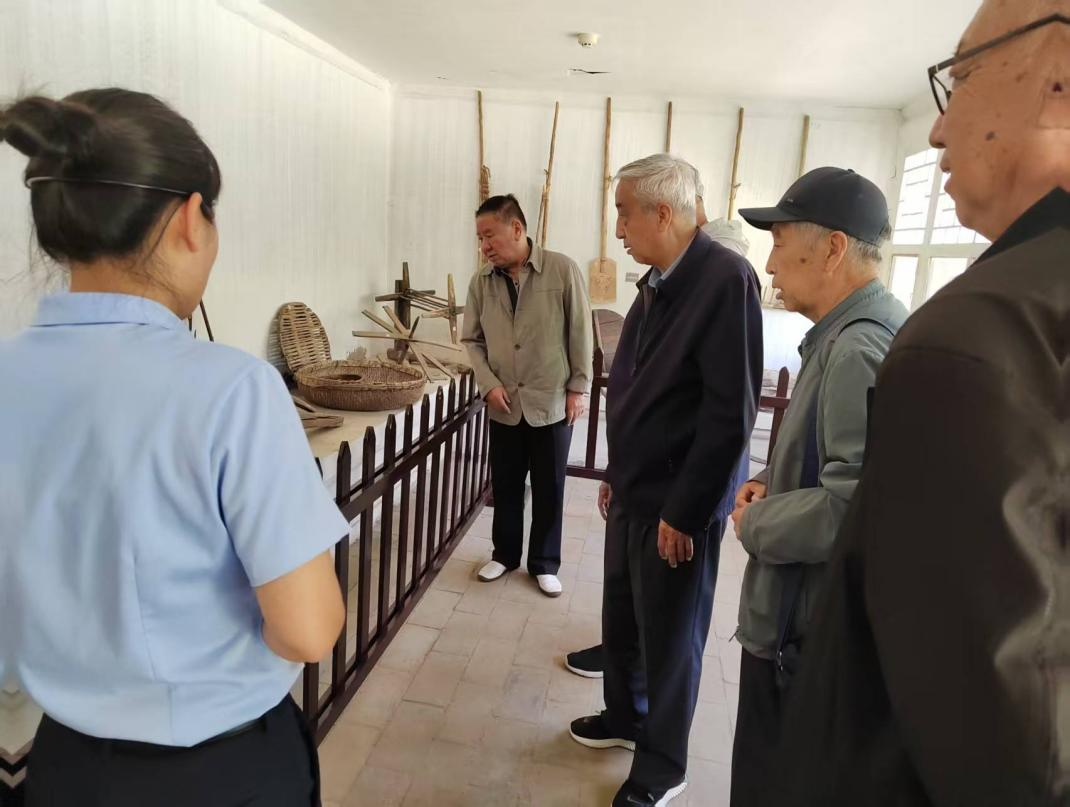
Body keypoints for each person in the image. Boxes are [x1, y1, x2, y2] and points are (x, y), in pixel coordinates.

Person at [1, 89, 347, 806]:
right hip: (219, 772)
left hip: (62, 767)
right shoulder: (232, 389)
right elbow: (309, 629)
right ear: (191, 218)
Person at [771, 3, 1070, 805]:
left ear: (1058, 79)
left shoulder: (980, 333)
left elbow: (1000, 728)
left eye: (961, 76)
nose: (937, 129)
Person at [568, 154, 763, 807]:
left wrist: (686, 509)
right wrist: (617, 471)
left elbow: (728, 413)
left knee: (671, 637)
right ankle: (625, 716)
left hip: (679, 500)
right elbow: (637, 386)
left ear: (661, 212)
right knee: (623, 616)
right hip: (636, 487)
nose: (617, 228)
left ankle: (663, 763)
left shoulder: (725, 279)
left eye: (624, 213)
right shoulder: (655, 280)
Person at [727, 167, 908, 806]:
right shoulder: (847, 333)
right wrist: (768, 481)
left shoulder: (858, 349)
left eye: (779, 243)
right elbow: (831, 460)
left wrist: (757, 523)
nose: (770, 264)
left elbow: (855, 506)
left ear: (833, 249)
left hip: (800, 636)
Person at [462, 194, 593, 597]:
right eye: (480, 238)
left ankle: (544, 563)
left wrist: (578, 388)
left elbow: (580, 332)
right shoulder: (481, 282)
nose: (484, 246)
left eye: (490, 236)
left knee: (550, 486)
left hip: (551, 400)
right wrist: (488, 383)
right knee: (506, 485)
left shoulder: (562, 270)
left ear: (517, 228)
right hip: (504, 403)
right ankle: (504, 555)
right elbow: (471, 340)